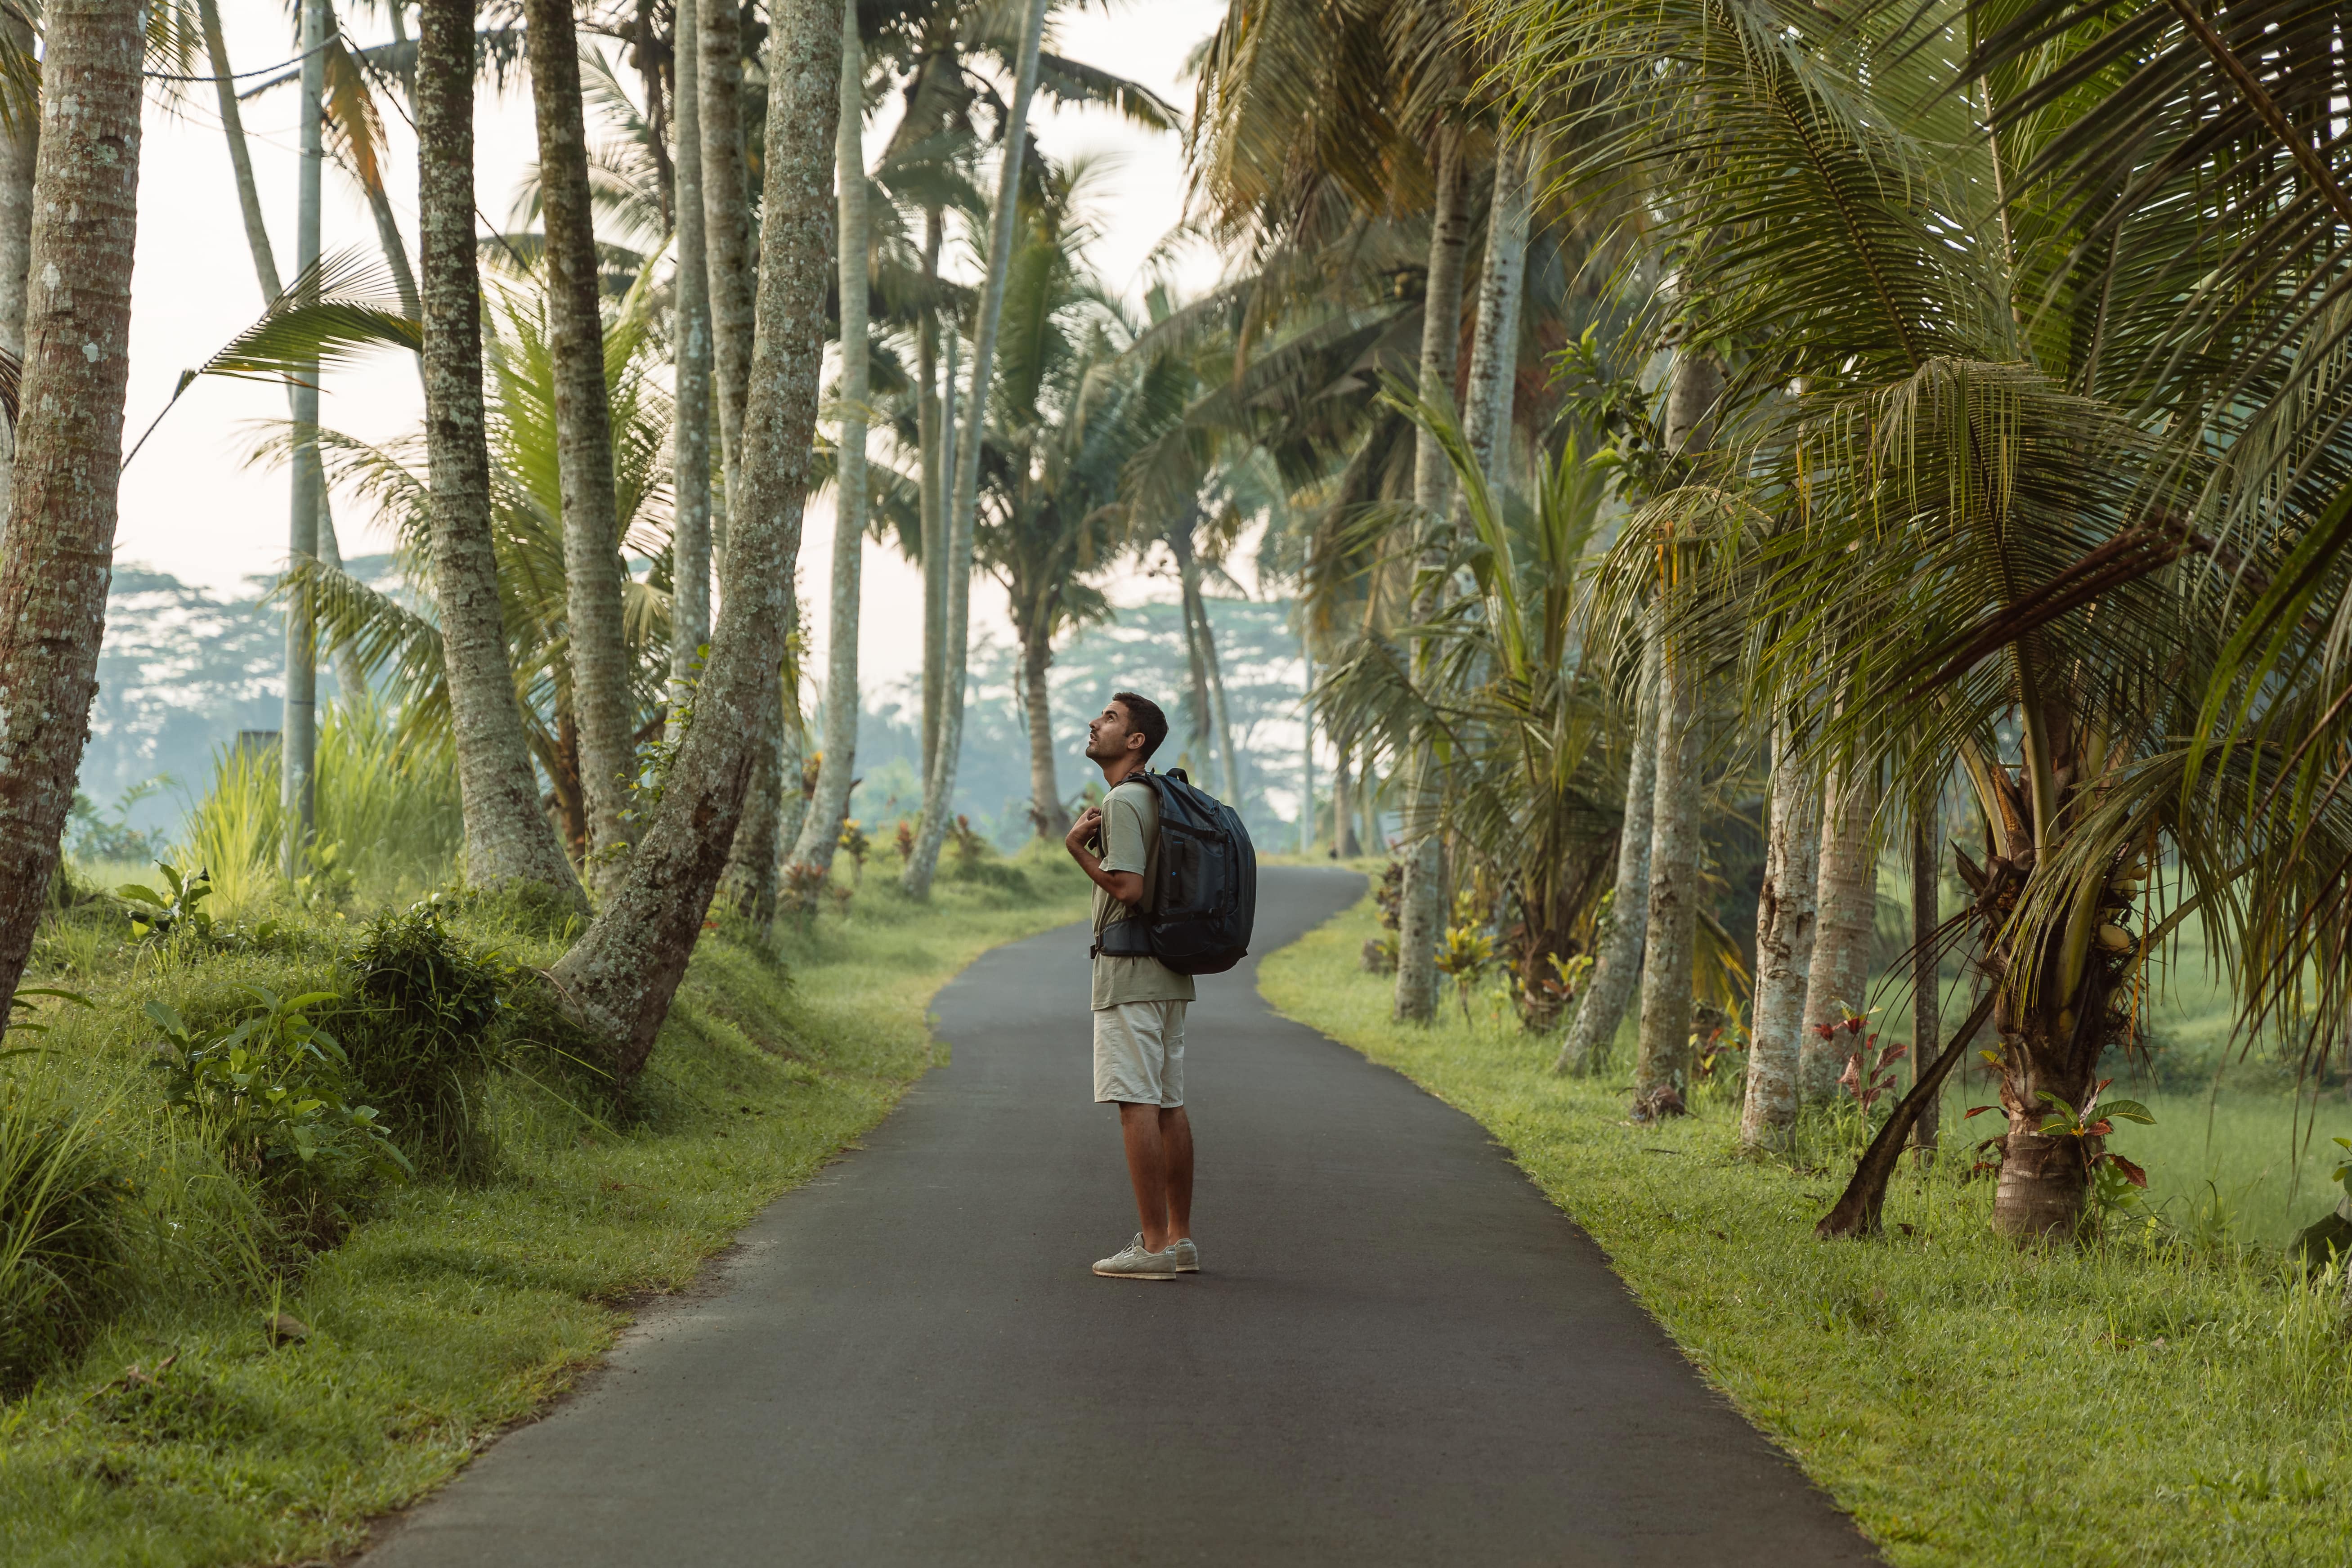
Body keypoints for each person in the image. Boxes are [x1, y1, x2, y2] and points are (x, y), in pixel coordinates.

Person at [1062, 691, 1197, 1281]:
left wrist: (1074, 850)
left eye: (1111, 718)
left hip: (1130, 973)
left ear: (1135, 740)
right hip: (1170, 972)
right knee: (1168, 1102)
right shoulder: (1160, 796)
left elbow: (1127, 890)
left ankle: (1151, 1246)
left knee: (1135, 1103)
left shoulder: (1122, 799)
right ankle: (1180, 1239)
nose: (1096, 723)